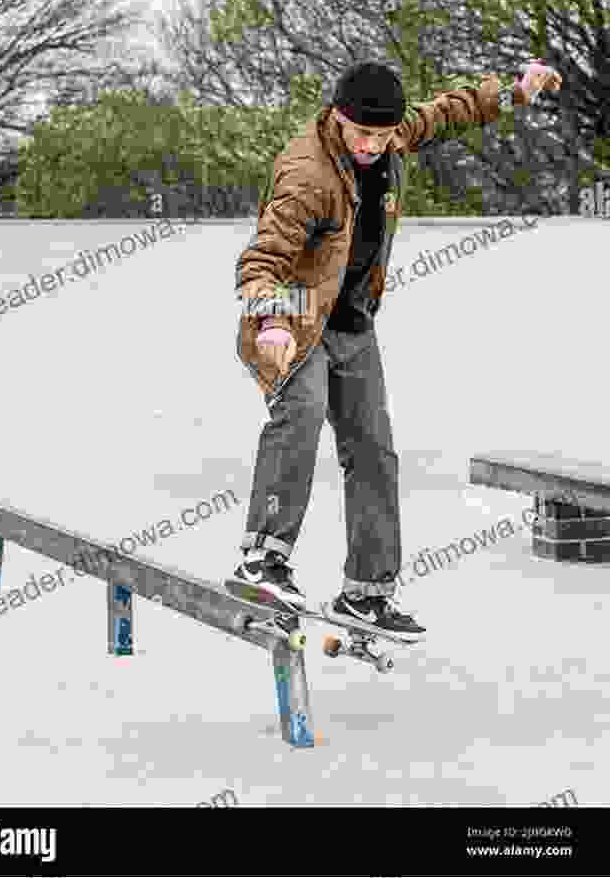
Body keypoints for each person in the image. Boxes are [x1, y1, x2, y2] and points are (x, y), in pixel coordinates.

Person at [231, 59, 561, 637]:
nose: (368, 146)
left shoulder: (390, 137)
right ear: (337, 117)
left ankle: (367, 591)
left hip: (352, 321)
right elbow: (262, 260)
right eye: (359, 134)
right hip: (294, 317)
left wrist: (513, 92)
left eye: (380, 137)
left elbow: (448, 112)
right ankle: (263, 556)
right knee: (301, 416)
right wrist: (272, 322)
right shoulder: (305, 173)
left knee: (374, 448)